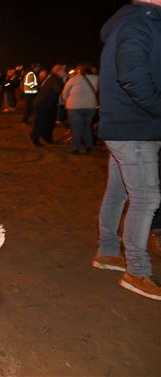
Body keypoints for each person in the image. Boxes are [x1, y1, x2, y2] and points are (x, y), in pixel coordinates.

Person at [93, 0, 161, 300]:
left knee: (118, 192)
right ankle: (137, 270)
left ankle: (108, 251)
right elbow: (132, 76)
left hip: (124, 126)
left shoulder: (128, 23)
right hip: (135, 128)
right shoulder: (139, 23)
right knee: (146, 197)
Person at [61, 62, 99, 154]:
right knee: (87, 127)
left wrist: (64, 101)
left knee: (76, 128)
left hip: (74, 107)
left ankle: (75, 148)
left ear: (79, 70)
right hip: (90, 106)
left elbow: (65, 93)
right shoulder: (97, 79)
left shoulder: (73, 79)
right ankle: (89, 146)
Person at [31, 64, 67, 146]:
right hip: (44, 103)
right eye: (63, 71)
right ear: (59, 71)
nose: (65, 73)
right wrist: (65, 83)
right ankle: (35, 138)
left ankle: (47, 138)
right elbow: (59, 89)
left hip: (48, 103)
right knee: (41, 122)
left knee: (49, 122)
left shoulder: (53, 77)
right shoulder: (54, 78)